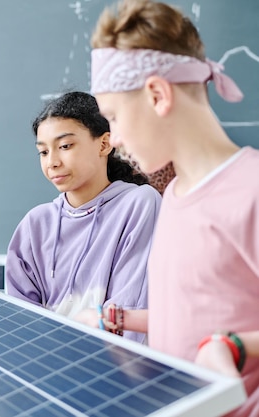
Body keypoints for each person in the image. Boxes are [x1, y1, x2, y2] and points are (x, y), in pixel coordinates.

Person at [90, 0, 259, 415]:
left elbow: (222, 338)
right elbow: (194, 316)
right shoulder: (175, 194)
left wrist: (234, 347)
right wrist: (123, 319)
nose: (112, 138)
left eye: (112, 116)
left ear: (157, 94)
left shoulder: (250, 191)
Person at [5, 91, 161, 343]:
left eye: (65, 146)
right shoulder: (35, 224)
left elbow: (129, 306)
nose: (52, 162)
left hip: (111, 365)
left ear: (104, 144)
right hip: (44, 365)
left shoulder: (139, 203)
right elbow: (21, 322)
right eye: (43, 152)